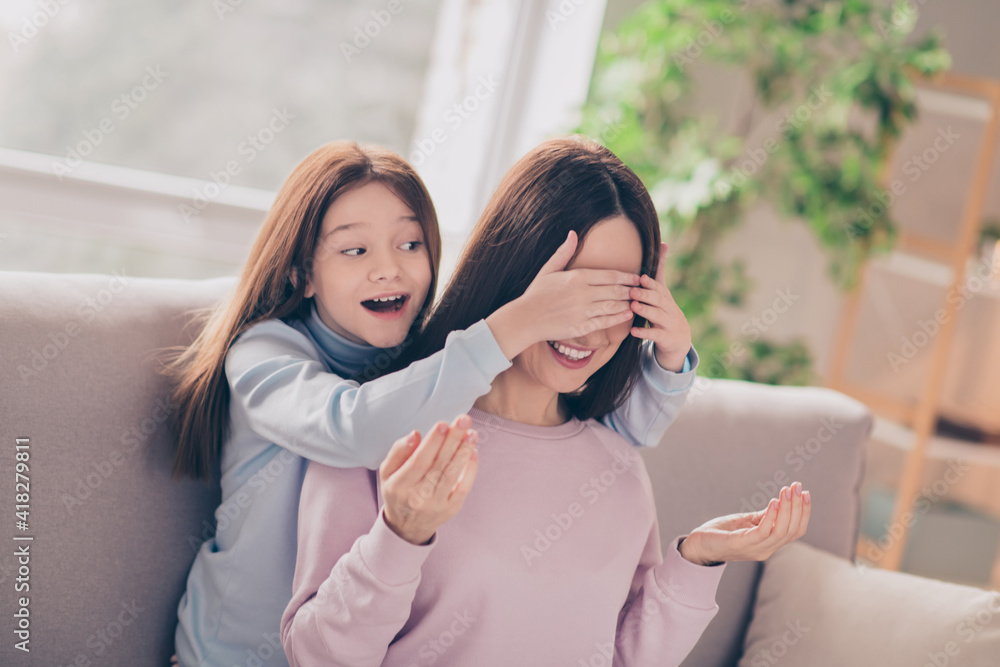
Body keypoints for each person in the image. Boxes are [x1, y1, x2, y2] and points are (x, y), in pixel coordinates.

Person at [165, 140, 701, 666]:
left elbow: (595, 442)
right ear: (299, 271)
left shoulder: (428, 368)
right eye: (355, 250)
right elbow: (356, 431)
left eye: (410, 245)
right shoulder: (265, 354)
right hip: (237, 653)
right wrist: (521, 321)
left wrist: (668, 358)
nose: (388, 270)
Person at [280, 137, 811, 666]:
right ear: (512, 269)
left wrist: (698, 559)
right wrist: (400, 535)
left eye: (619, 295)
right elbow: (316, 655)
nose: (589, 323)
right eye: (574, 289)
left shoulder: (618, 467)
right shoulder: (386, 428)